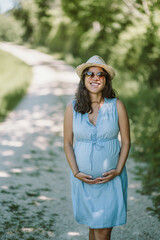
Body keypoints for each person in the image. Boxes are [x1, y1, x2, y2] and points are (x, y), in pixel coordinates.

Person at [63, 55, 130, 240]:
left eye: (100, 74)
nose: (95, 78)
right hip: (83, 179)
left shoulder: (117, 106)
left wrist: (118, 170)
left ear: (106, 80)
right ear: (83, 79)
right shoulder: (72, 108)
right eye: (90, 74)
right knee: (94, 227)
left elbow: (126, 142)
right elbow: (68, 143)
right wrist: (76, 172)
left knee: (103, 230)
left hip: (111, 179)